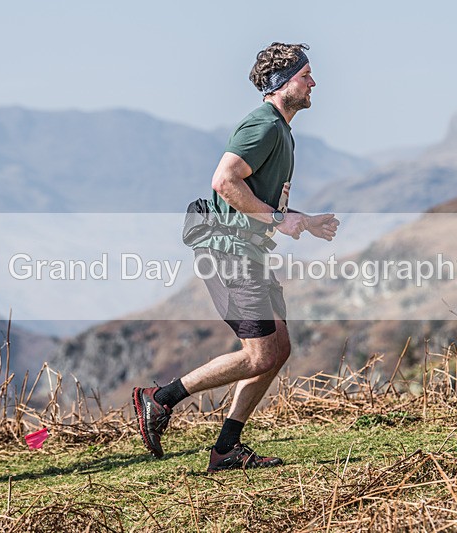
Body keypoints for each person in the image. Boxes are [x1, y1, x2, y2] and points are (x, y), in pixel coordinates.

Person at [133, 42, 339, 473]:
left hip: (250, 252)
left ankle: (226, 448)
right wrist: (276, 219)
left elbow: (254, 201)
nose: (313, 83)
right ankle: (160, 398)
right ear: (282, 85)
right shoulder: (263, 126)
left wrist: (303, 221)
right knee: (260, 354)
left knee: (277, 349)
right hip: (229, 255)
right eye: (305, 76)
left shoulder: (280, 130)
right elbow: (225, 182)